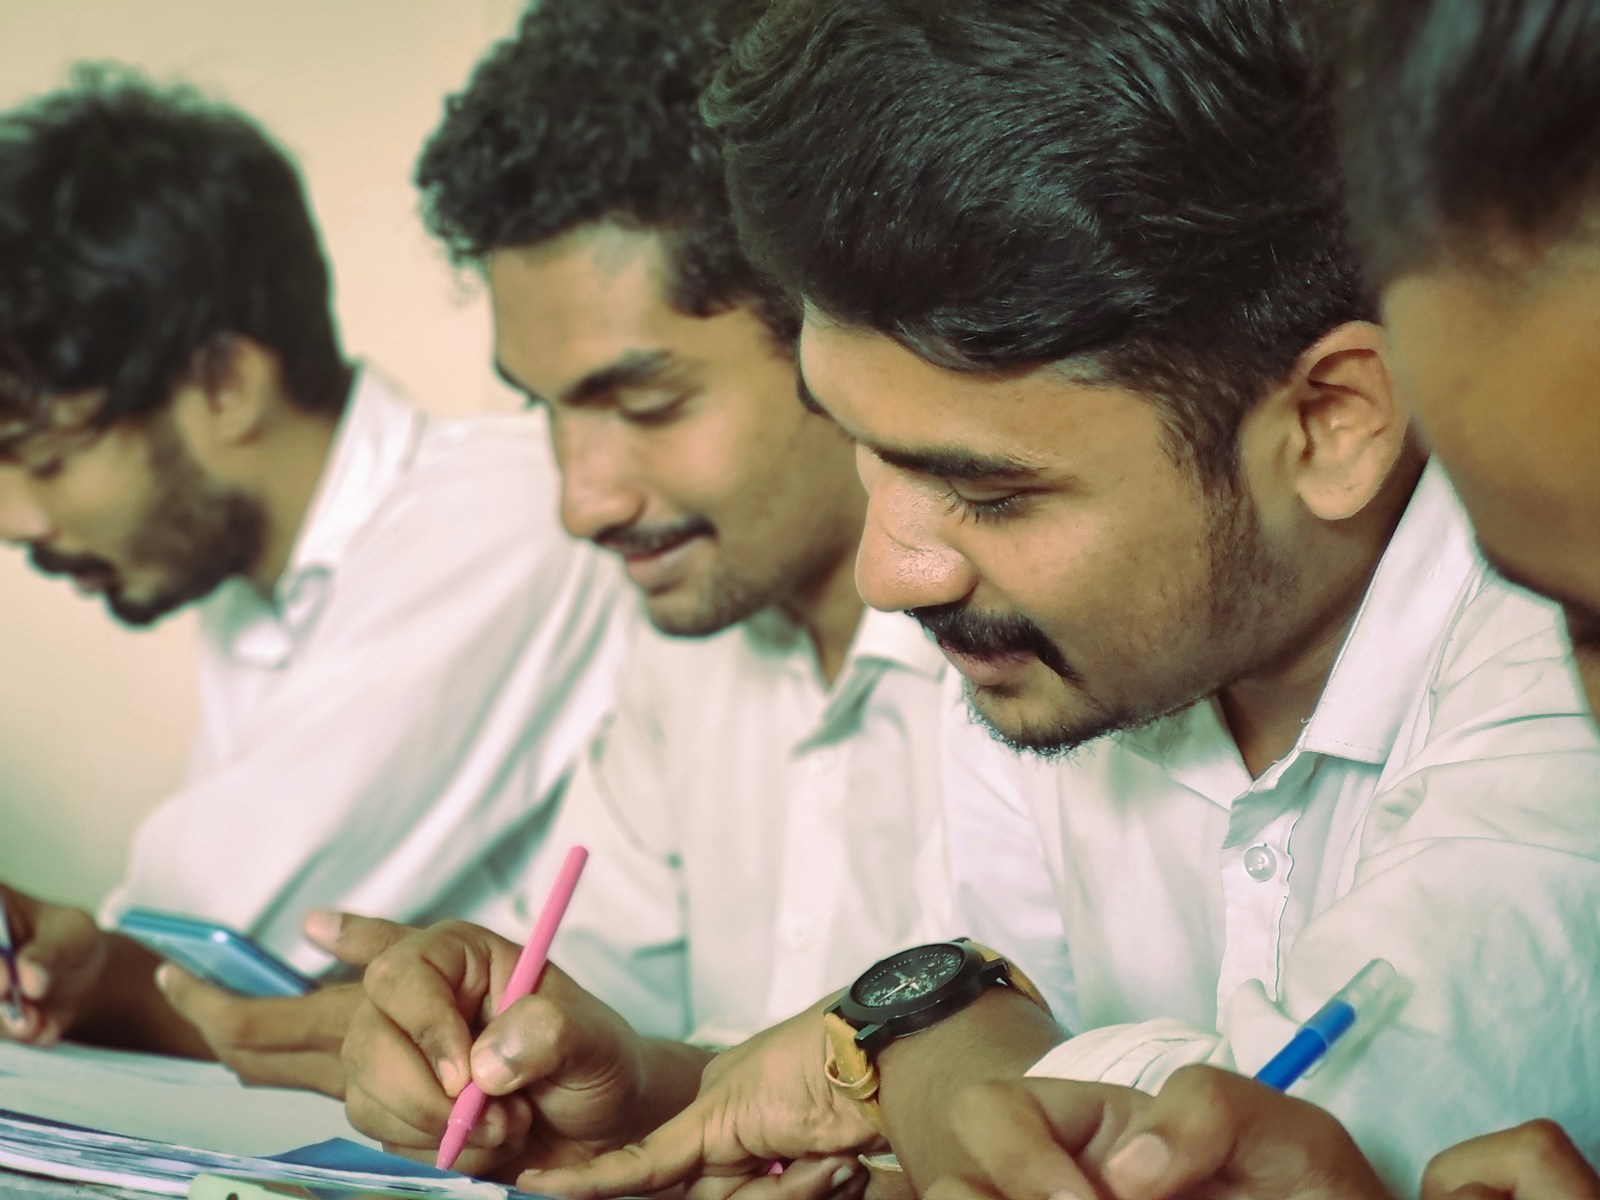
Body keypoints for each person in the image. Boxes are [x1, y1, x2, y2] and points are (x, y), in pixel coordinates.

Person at [525, 0, 1600, 1195]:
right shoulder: (1037, 649)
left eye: (985, 491)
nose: (894, 574)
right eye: (864, 450)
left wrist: (940, 1053)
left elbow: (1295, 1150)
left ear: (1327, 418)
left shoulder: (1560, 637)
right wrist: (933, 1061)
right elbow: (987, 1123)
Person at [333, 0, 974, 1175]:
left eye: (645, 405)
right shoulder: (684, 640)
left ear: (836, 330)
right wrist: (515, 1061)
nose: (585, 501)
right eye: (546, 408)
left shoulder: (1042, 657)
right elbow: (615, 1031)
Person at [0, 69, 623, 1091]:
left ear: (223, 384)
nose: (17, 521)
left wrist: (80, 953)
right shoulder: (258, 585)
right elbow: (197, 966)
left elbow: (222, 927)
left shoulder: (500, 518)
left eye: (46, 458)